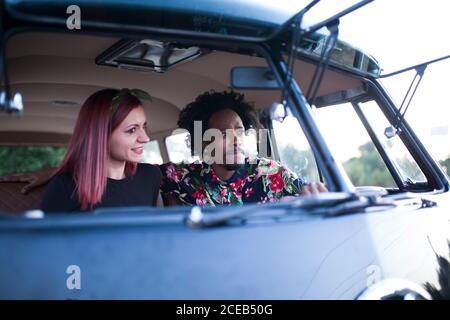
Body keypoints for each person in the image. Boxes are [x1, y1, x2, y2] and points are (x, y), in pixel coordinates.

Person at [160, 90, 327, 206]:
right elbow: (140, 176)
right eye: (224, 134)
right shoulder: (183, 178)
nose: (236, 141)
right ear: (203, 143)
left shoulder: (270, 172)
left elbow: (314, 194)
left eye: (239, 132)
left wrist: (311, 197)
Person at [40, 88, 162, 212]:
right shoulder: (65, 186)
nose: (146, 138)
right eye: (132, 130)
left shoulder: (150, 176)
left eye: (143, 127)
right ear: (102, 134)